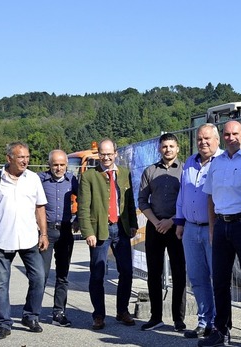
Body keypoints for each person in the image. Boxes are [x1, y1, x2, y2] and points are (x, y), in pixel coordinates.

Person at [198, 120, 241, 347]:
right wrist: (213, 228)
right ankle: (221, 330)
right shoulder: (216, 163)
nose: (231, 137)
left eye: (235, 133)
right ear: (222, 137)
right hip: (222, 226)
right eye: (226, 134)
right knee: (220, 282)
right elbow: (210, 197)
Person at [0, 141, 49, 340]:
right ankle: (4, 323)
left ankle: (31, 316)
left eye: (27, 157)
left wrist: (43, 234)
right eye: (20, 157)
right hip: (2, 240)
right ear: (9, 158)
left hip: (29, 240)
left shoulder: (33, 178)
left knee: (39, 278)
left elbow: (40, 207)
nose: (25, 161)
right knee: (1, 284)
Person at [78, 138, 138, 330]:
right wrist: (88, 232)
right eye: (102, 154)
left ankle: (122, 311)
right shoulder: (89, 176)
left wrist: (133, 224)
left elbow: (129, 202)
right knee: (97, 274)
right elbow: (84, 207)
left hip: (121, 229)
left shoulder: (124, 174)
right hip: (100, 230)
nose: (106, 157)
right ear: (99, 155)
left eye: (109, 153)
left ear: (115, 154)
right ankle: (98, 315)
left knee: (127, 272)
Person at [174, 124, 223, 339]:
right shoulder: (189, 163)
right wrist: (179, 221)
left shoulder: (222, 162)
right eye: (200, 139)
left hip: (214, 229)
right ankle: (204, 322)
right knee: (197, 278)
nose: (203, 142)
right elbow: (182, 194)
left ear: (217, 140)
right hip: (191, 229)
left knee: (218, 278)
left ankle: (220, 324)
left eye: (207, 138)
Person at [138, 133, 187, 332]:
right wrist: (157, 222)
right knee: (154, 273)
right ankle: (156, 316)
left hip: (177, 226)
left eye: (171, 146)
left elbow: (188, 200)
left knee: (179, 273)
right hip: (155, 226)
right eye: (164, 146)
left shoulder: (185, 170)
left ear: (177, 148)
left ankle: (178, 319)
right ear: (159, 148)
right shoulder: (150, 171)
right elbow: (142, 201)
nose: (168, 149)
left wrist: (172, 220)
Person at [38, 149, 79, 327]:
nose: (59, 168)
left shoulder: (72, 180)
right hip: (45, 233)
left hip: (65, 232)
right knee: (41, 275)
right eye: (55, 164)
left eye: (62, 164)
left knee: (62, 275)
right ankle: (32, 312)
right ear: (49, 165)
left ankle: (58, 312)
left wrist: (78, 219)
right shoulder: (39, 180)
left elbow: (84, 200)